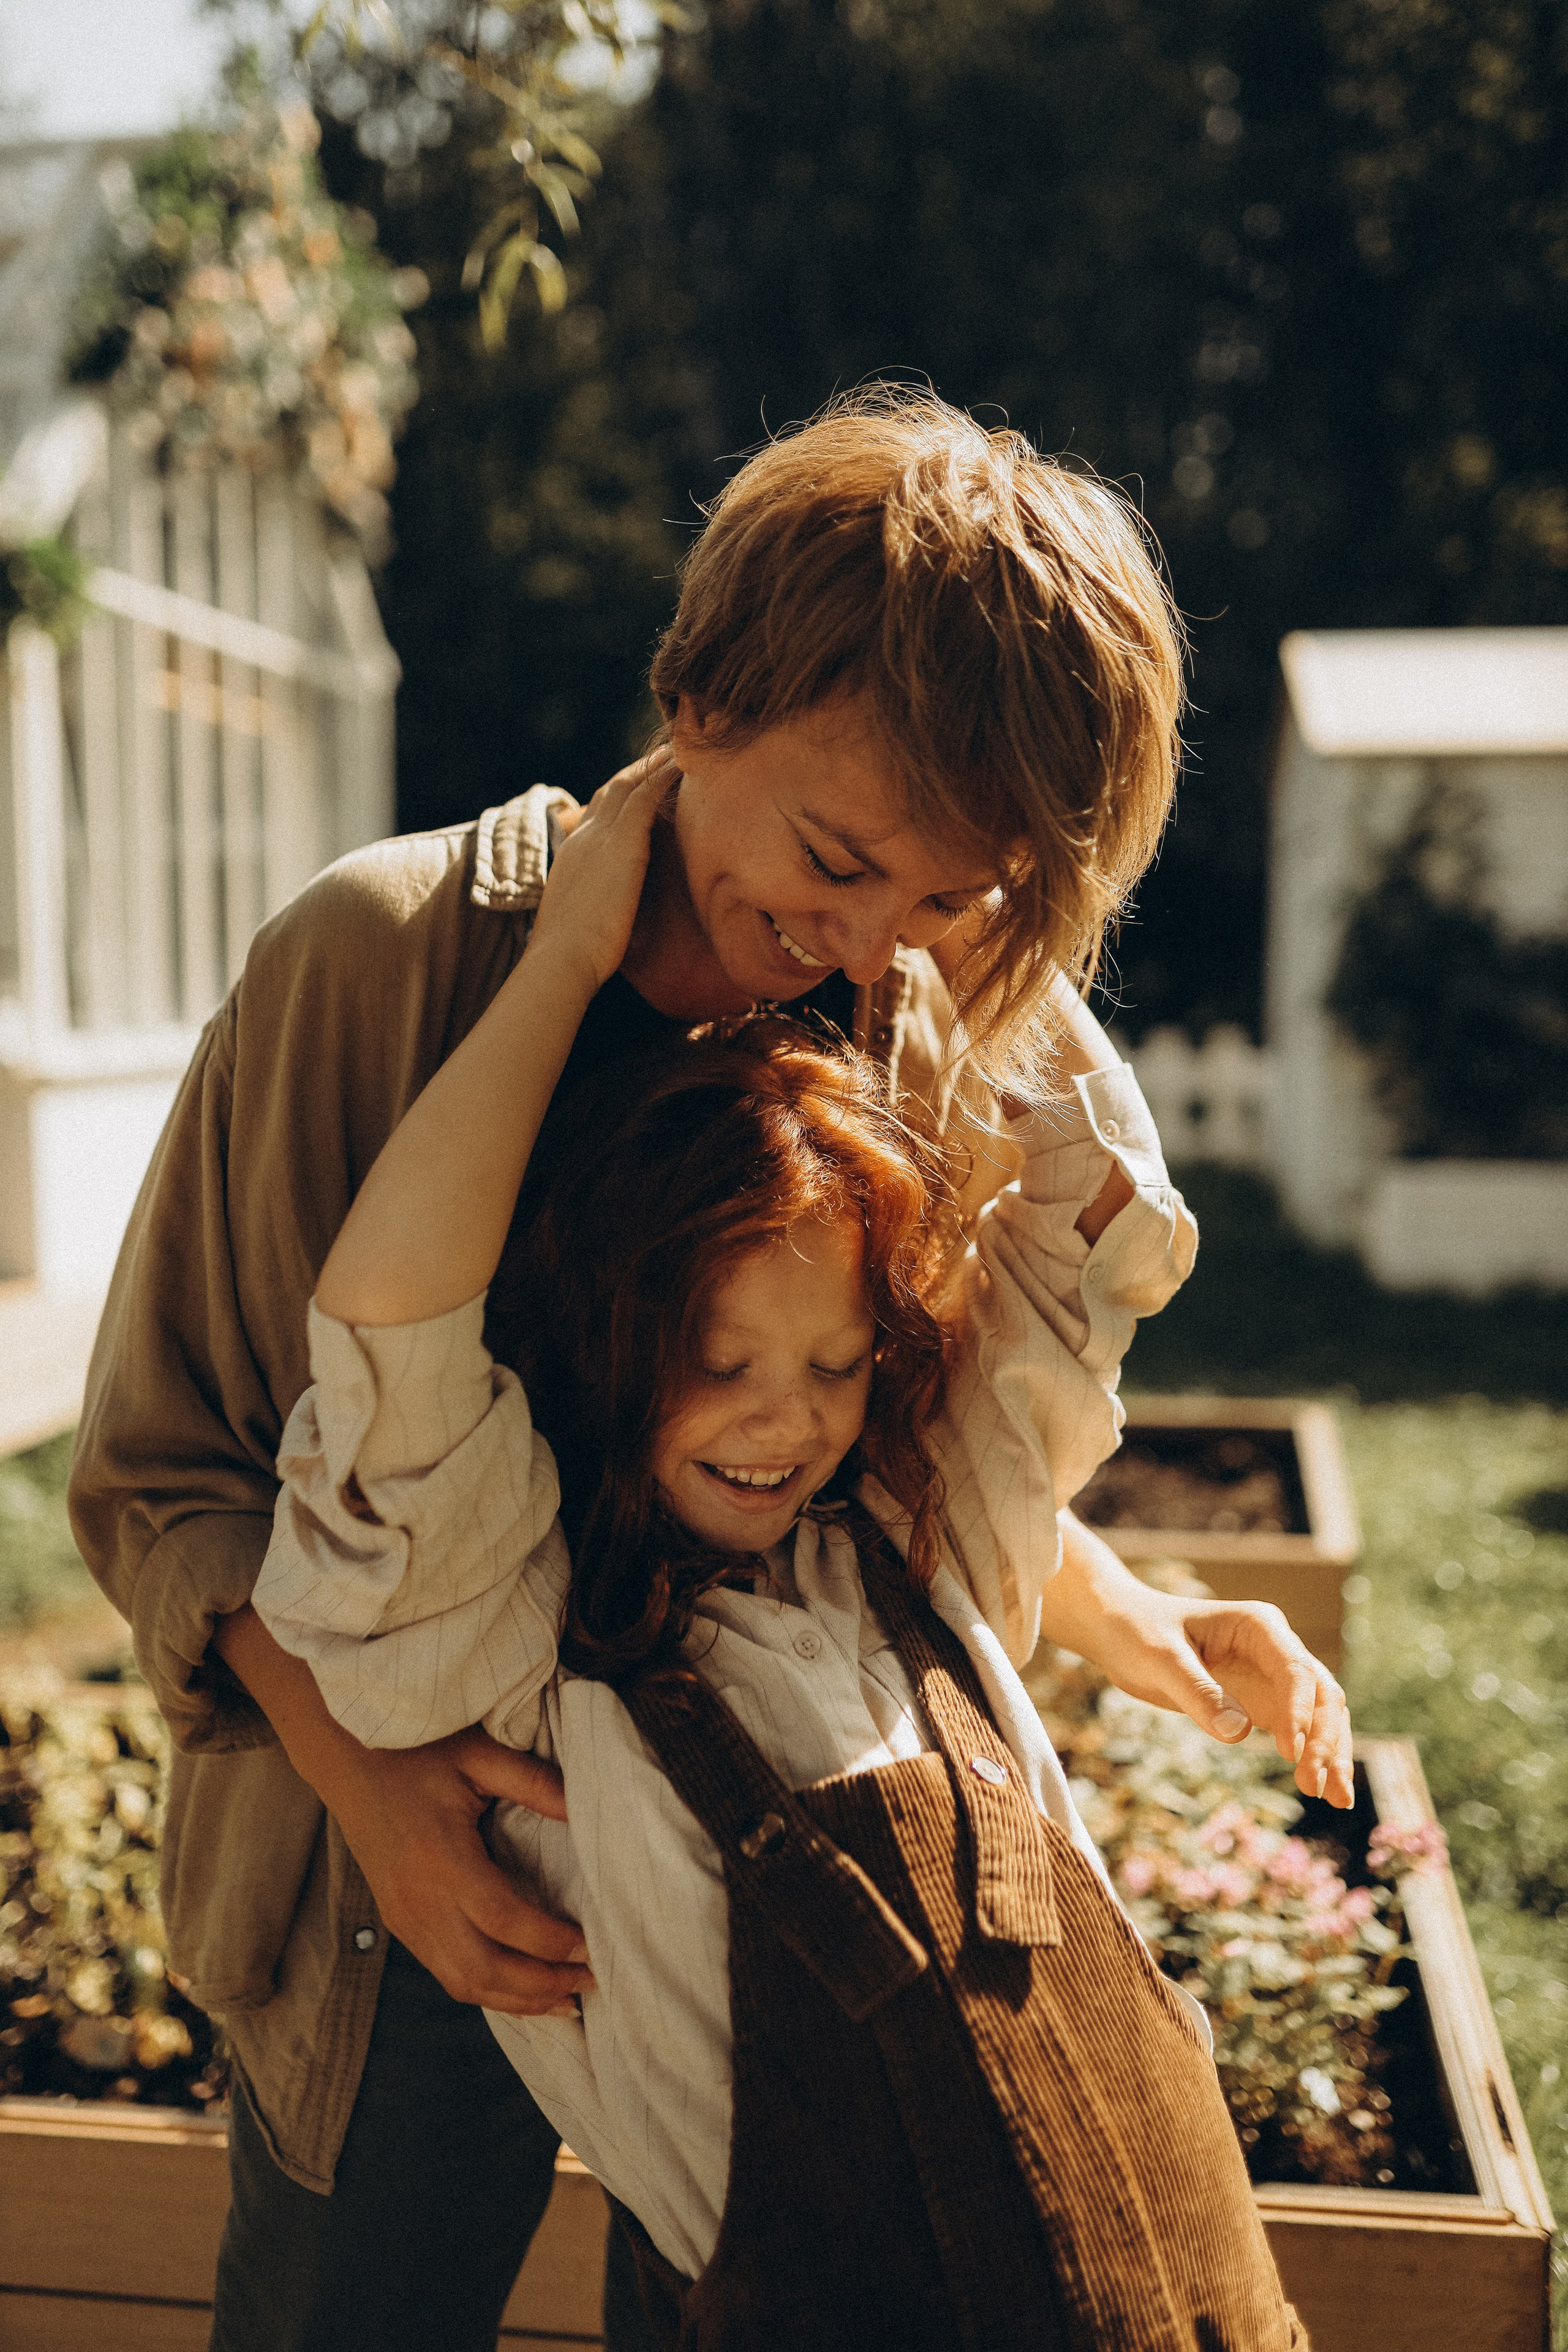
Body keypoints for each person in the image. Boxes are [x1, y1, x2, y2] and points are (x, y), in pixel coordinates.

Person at [69, 388, 1349, 2352]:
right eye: (838, 855)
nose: (872, 937)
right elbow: (165, 1473)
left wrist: (1134, 1611)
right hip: (393, 1888)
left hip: (757, 1866)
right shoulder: (381, 963)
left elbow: (838, 1454)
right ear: (703, 697)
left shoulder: (896, 1024)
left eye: (949, 897)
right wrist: (382, 1798)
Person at [251, 769, 1313, 2347]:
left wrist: (949, 910)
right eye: (720, 1361)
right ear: (608, 1349)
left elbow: (1086, 1196)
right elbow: (394, 1329)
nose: (785, 1422)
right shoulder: (517, 1642)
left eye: (833, 1364)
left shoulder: (902, 1541)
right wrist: (564, 963)